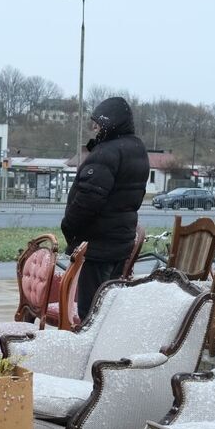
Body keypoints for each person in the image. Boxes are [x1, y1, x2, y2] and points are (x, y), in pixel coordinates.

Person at [61, 96, 149, 319]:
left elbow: (89, 199)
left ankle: (89, 352)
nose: (95, 128)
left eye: (99, 123)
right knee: (109, 305)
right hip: (121, 240)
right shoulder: (137, 149)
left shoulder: (107, 152)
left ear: (111, 123)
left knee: (90, 310)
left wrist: (68, 226)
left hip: (98, 244)